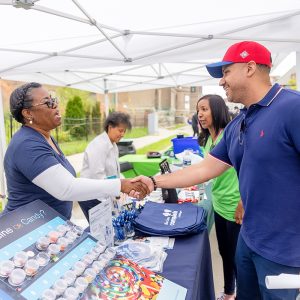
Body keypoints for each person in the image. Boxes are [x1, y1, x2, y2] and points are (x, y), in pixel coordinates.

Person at [132, 41, 300, 299]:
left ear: (250, 68)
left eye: (226, 72)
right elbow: (206, 168)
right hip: (249, 239)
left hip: (286, 252)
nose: (222, 82)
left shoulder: (292, 108)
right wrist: (154, 181)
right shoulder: (239, 123)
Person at [3, 82, 148, 220]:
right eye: (48, 102)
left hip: (50, 225)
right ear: (28, 113)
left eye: (54, 100)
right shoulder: (27, 144)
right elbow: (67, 188)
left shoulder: (45, 138)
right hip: (27, 230)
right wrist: (120, 185)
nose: (56, 105)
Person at [197, 94, 242, 300]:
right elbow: (208, 169)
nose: (200, 114)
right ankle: (229, 292)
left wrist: (243, 201)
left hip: (235, 207)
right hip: (219, 204)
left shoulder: (230, 136)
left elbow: (246, 169)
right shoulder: (208, 138)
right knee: (224, 251)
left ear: (217, 109)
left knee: (237, 258)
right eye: (198, 110)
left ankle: (243, 293)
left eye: (205, 109)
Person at [79, 112, 132, 221]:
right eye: (120, 130)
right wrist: (117, 190)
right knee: (100, 231)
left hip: (104, 193)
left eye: (124, 131)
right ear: (110, 127)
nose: (122, 134)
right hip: (91, 196)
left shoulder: (113, 144)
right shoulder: (98, 145)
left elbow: (115, 172)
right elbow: (98, 176)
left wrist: (122, 186)